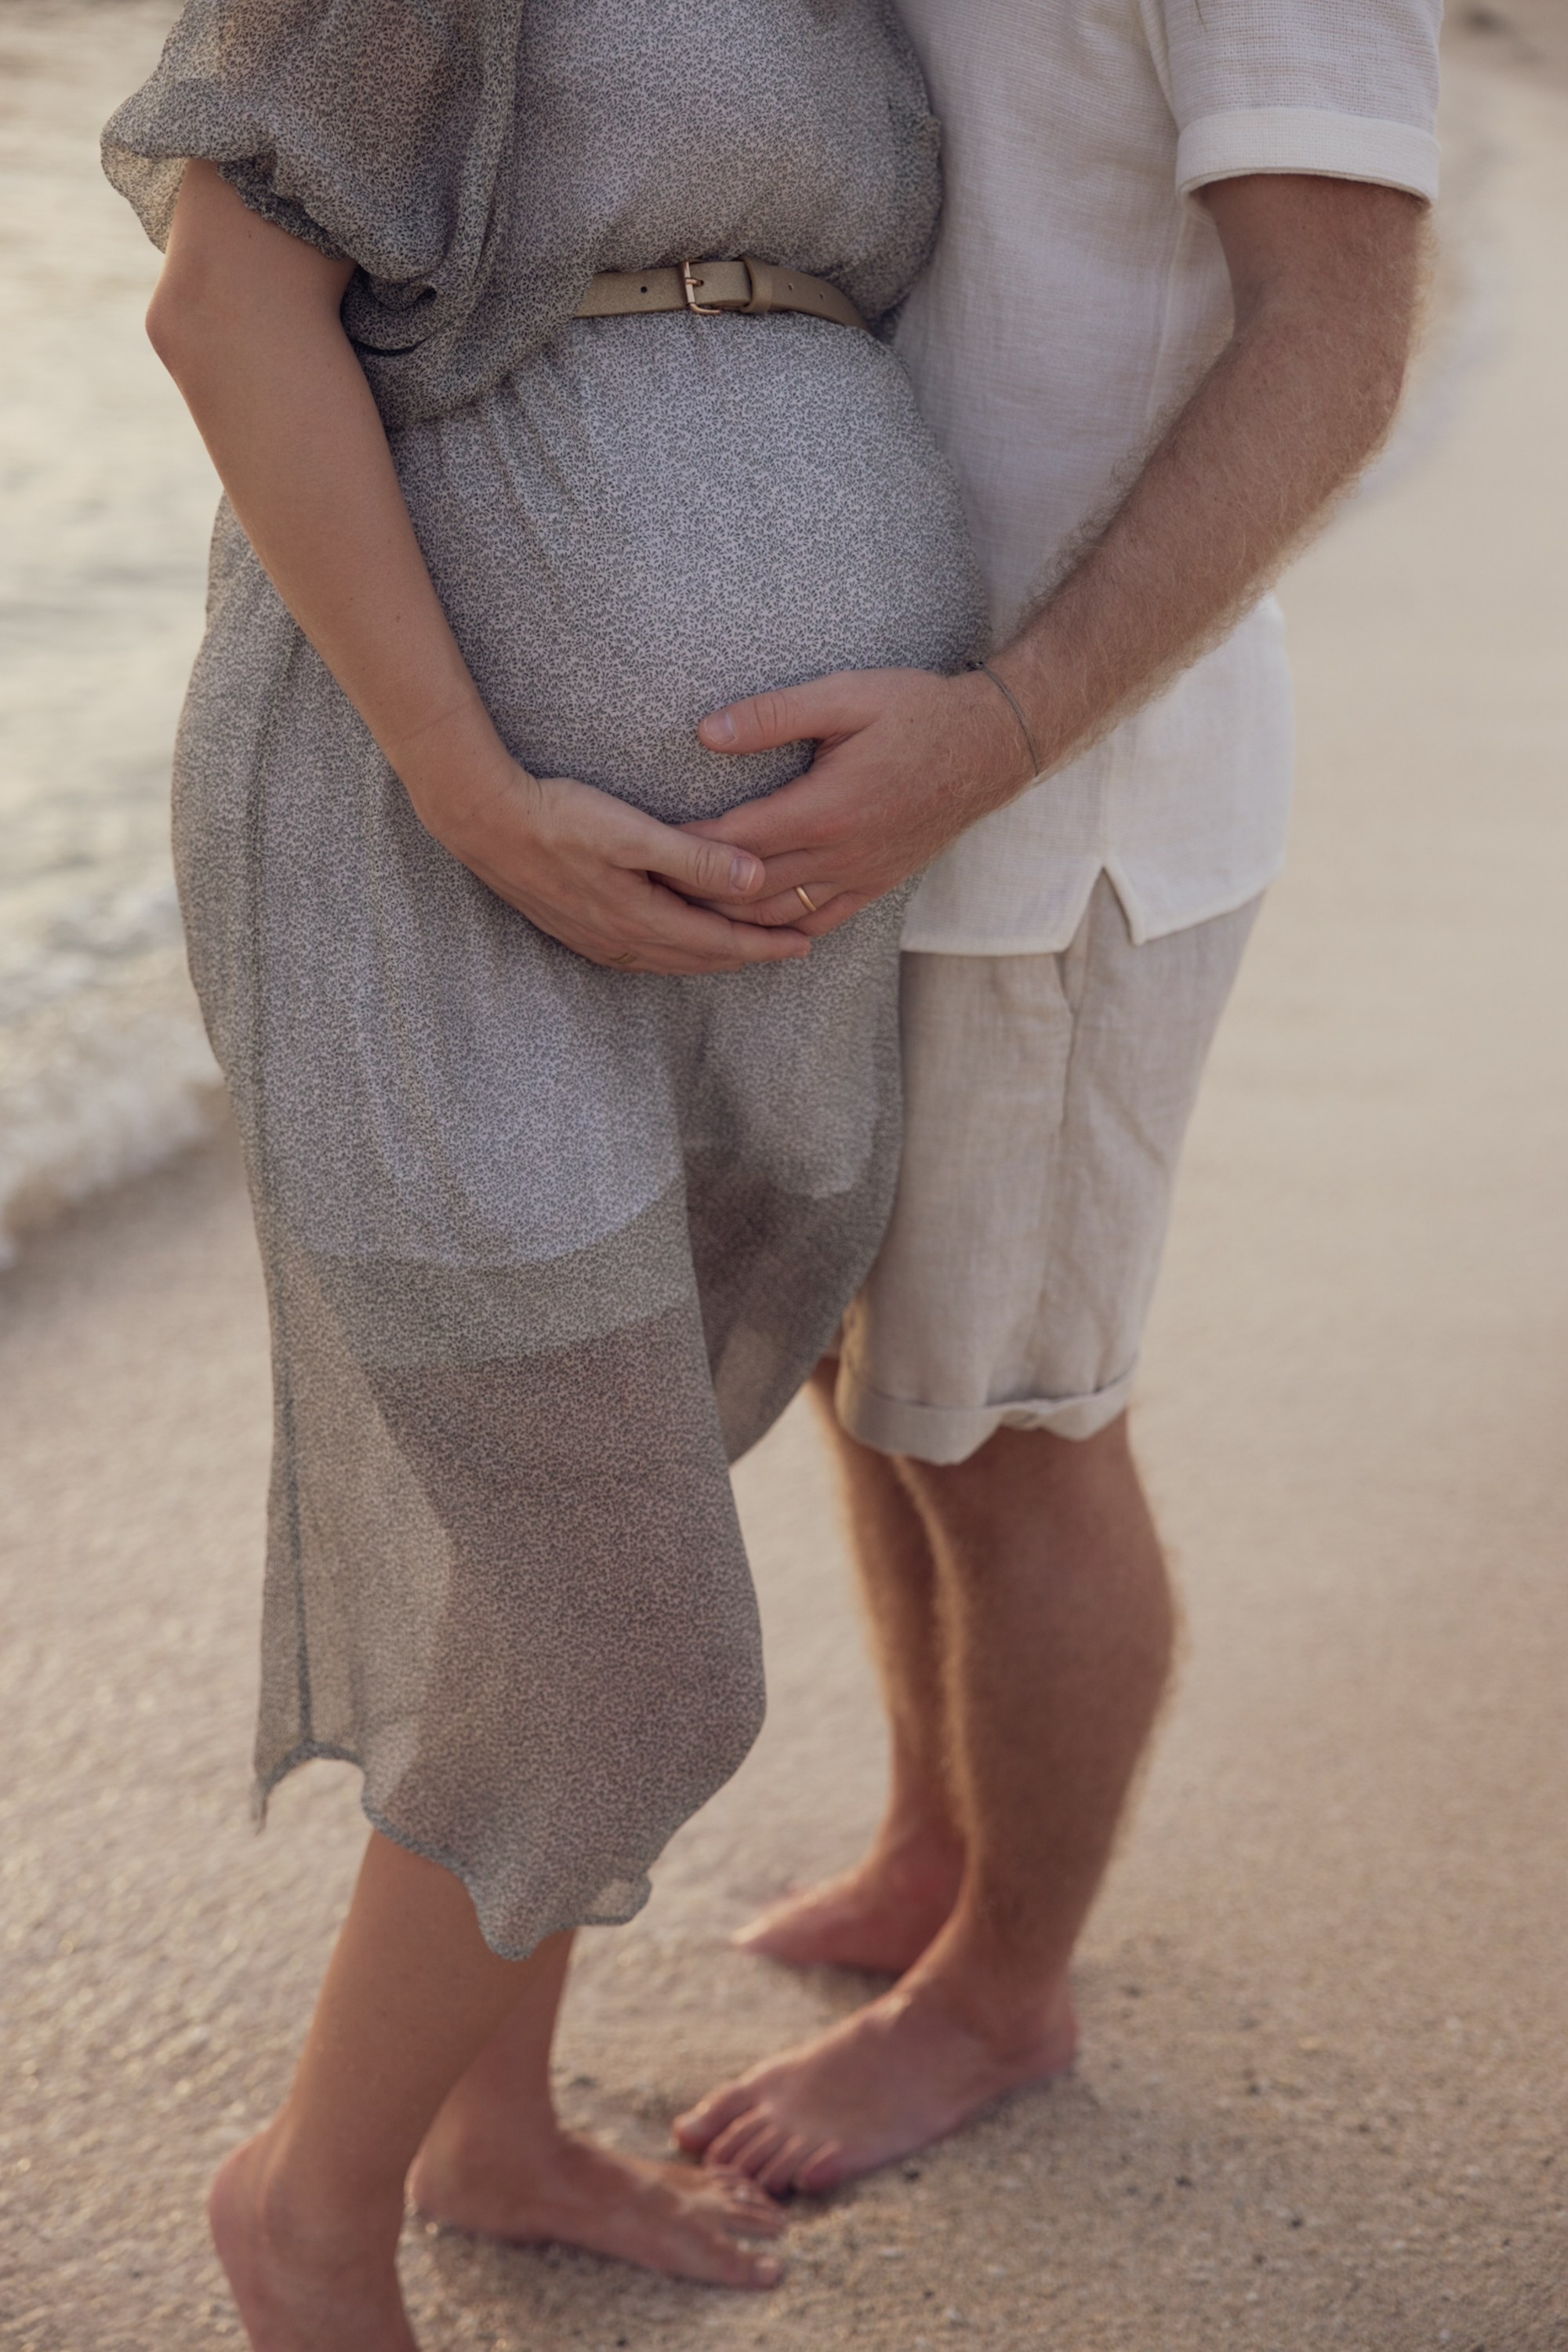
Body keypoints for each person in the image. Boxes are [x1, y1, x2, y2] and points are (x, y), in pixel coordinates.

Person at [103, 0, 989, 2338]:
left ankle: (494, 2127)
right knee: (639, 1646)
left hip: (740, 917)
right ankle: (307, 2204)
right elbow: (222, 295)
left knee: (586, 1533)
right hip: (425, 847)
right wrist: (475, 783)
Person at [671, 0, 1443, 2195]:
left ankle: (1006, 1989)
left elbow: (1337, 341)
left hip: (1061, 802)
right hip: (871, 794)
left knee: (1014, 1423)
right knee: (875, 1371)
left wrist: (1005, 727)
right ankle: (937, 1840)